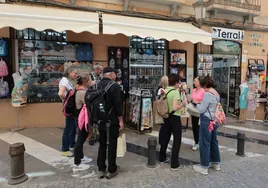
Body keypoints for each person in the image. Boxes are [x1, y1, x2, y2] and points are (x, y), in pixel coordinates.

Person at [97, 67, 124, 179]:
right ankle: (111, 169)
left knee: (102, 143)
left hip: (100, 119)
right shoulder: (115, 86)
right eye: (115, 74)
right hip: (111, 120)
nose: (116, 76)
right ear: (112, 74)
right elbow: (118, 105)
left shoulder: (96, 85)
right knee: (112, 144)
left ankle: (101, 168)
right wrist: (120, 120)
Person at [194, 76, 221, 175]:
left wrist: (197, 103)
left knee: (204, 143)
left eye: (203, 87)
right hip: (215, 120)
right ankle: (216, 163)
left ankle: (204, 166)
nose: (203, 89)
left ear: (205, 85)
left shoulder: (207, 94)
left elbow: (201, 109)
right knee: (214, 141)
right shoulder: (216, 93)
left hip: (206, 120)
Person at [159, 74, 186, 170]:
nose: (179, 84)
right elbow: (175, 107)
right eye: (178, 82)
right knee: (177, 139)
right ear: (175, 82)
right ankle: (174, 163)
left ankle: (162, 157)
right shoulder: (175, 92)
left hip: (165, 116)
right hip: (174, 117)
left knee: (165, 137)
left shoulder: (165, 90)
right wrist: (182, 104)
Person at [73, 75, 93, 172]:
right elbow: (89, 103)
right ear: (85, 82)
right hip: (82, 118)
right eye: (90, 80)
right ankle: (77, 161)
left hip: (80, 117)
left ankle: (80, 156)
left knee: (81, 138)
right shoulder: (82, 92)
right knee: (81, 139)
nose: (91, 82)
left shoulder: (79, 90)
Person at [58, 67, 78, 157]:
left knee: (73, 126)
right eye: (75, 73)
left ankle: (72, 144)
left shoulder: (67, 81)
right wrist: (67, 101)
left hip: (71, 107)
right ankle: (65, 149)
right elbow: (60, 93)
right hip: (69, 108)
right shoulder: (65, 81)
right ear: (69, 72)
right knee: (69, 128)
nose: (76, 75)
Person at [190, 77, 205, 151]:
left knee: (200, 127)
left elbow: (205, 102)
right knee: (194, 127)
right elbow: (191, 98)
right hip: (193, 111)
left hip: (200, 111)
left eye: (195, 81)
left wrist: (198, 102)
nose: (194, 83)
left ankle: (200, 142)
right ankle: (196, 142)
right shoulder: (193, 90)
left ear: (199, 82)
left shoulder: (203, 91)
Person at [156, 76, 169, 147]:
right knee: (164, 129)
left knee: (164, 128)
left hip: (163, 110)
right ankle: (162, 144)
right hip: (163, 111)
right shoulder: (161, 90)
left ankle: (164, 143)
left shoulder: (162, 89)